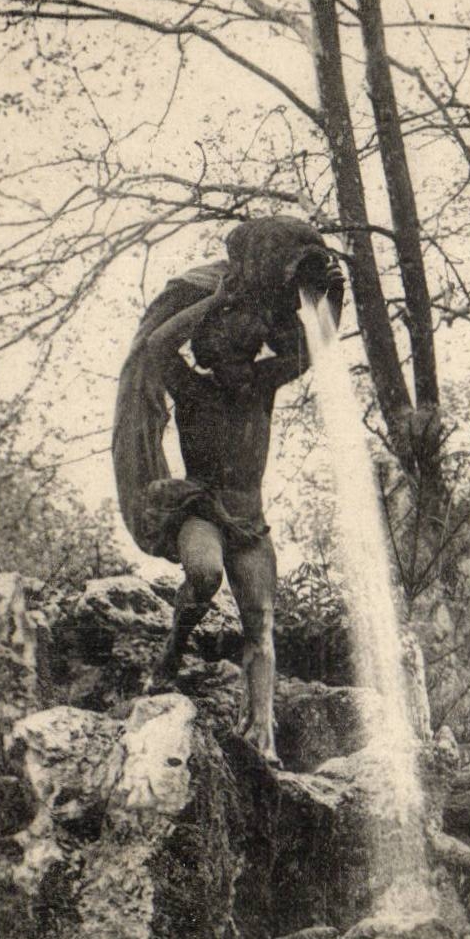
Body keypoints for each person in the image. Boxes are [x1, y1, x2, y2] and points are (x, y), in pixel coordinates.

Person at [137, 276, 310, 764]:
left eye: (246, 360)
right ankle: (173, 647)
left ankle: (262, 730)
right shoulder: (192, 390)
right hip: (204, 510)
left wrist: (276, 301)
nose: (239, 374)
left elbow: (305, 352)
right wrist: (213, 301)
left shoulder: (263, 386)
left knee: (261, 621)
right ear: (211, 357)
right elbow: (156, 346)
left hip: (251, 522)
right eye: (229, 362)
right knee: (205, 574)